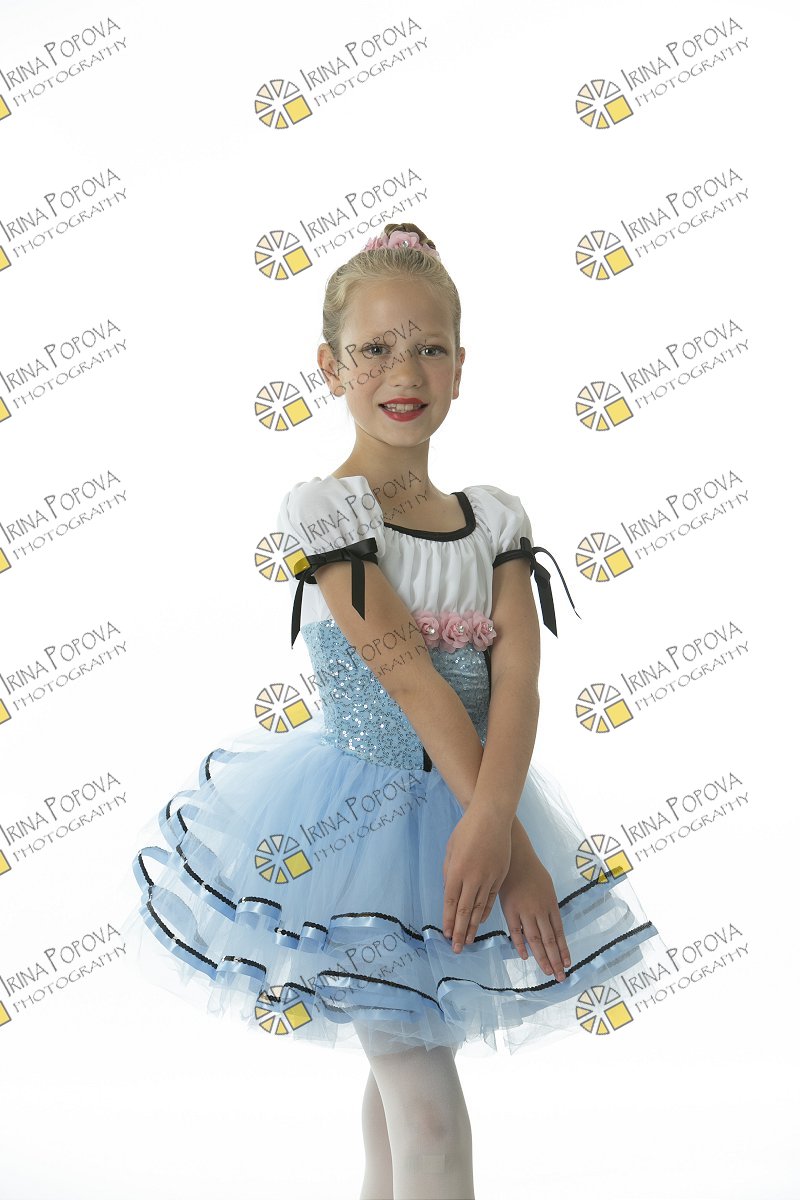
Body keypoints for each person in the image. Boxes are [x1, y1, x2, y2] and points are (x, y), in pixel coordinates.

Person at [122, 222, 667, 1199]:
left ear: (461, 366)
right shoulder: (327, 510)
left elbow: (517, 682)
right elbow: (408, 675)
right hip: (357, 831)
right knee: (425, 1109)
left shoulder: (493, 517)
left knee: (403, 1086)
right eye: (374, 348)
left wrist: (497, 825)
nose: (403, 372)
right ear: (329, 367)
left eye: (428, 348)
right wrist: (497, 838)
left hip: (477, 805)